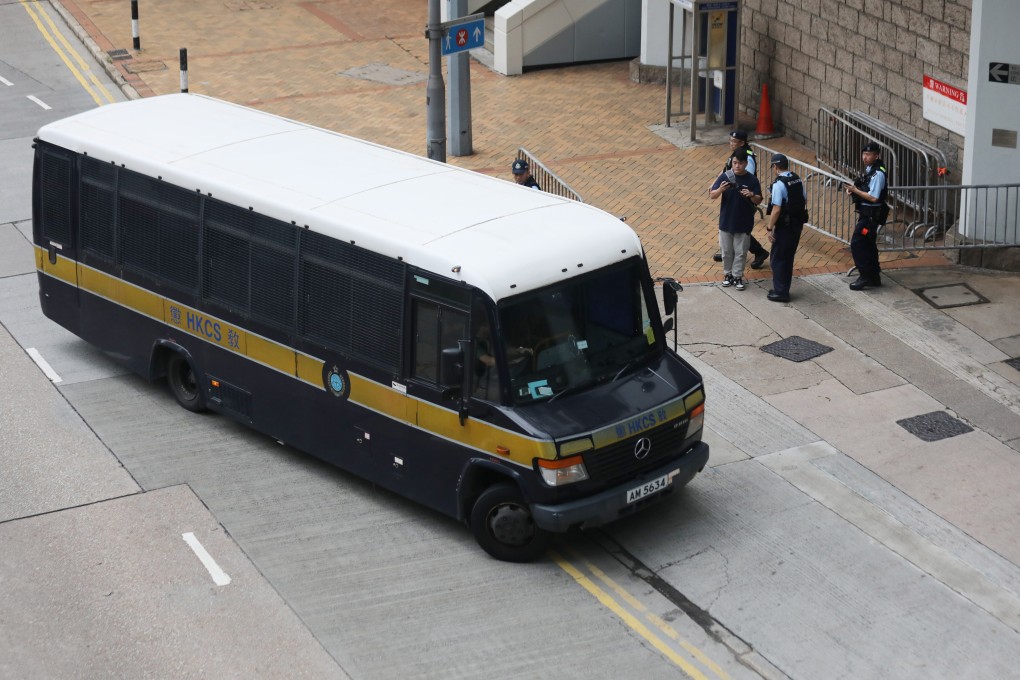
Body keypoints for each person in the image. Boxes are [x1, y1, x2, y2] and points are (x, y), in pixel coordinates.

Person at [712, 130, 770, 269]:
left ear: (742, 143)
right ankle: (728, 251)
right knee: (733, 226)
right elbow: (727, 169)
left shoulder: (747, 158)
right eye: (730, 140)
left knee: (741, 230)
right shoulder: (736, 155)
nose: (731, 143)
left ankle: (759, 252)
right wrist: (716, 183)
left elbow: (745, 178)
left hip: (744, 199)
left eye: (734, 141)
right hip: (734, 196)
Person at [709, 149, 763, 291]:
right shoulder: (725, 176)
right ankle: (728, 274)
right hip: (726, 221)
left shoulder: (752, 180)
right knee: (726, 252)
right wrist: (720, 189)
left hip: (744, 222)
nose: (737, 166)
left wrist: (751, 195)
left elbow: (759, 199)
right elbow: (712, 195)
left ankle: (738, 275)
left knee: (741, 252)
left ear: (746, 163)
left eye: (740, 163)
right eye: (734, 163)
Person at [843, 141, 888, 290]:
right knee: (869, 245)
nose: (865, 157)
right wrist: (853, 189)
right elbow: (864, 185)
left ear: (877, 155)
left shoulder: (878, 173)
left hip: (870, 218)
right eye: (864, 154)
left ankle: (865, 276)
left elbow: (874, 197)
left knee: (858, 243)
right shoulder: (870, 169)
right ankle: (874, 276)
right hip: (866, 214)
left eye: (868, 154)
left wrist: (855, 191)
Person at [764, 153, 807, 302]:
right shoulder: (797, 179)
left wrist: (769, 228)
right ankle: (782, 288)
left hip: (785, 226)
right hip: (797, 224)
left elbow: (776, 209)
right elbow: (803, 199)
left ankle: (781, 292)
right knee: (788, 257)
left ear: (775, 167)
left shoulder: (779, 184)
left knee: (778, 258)